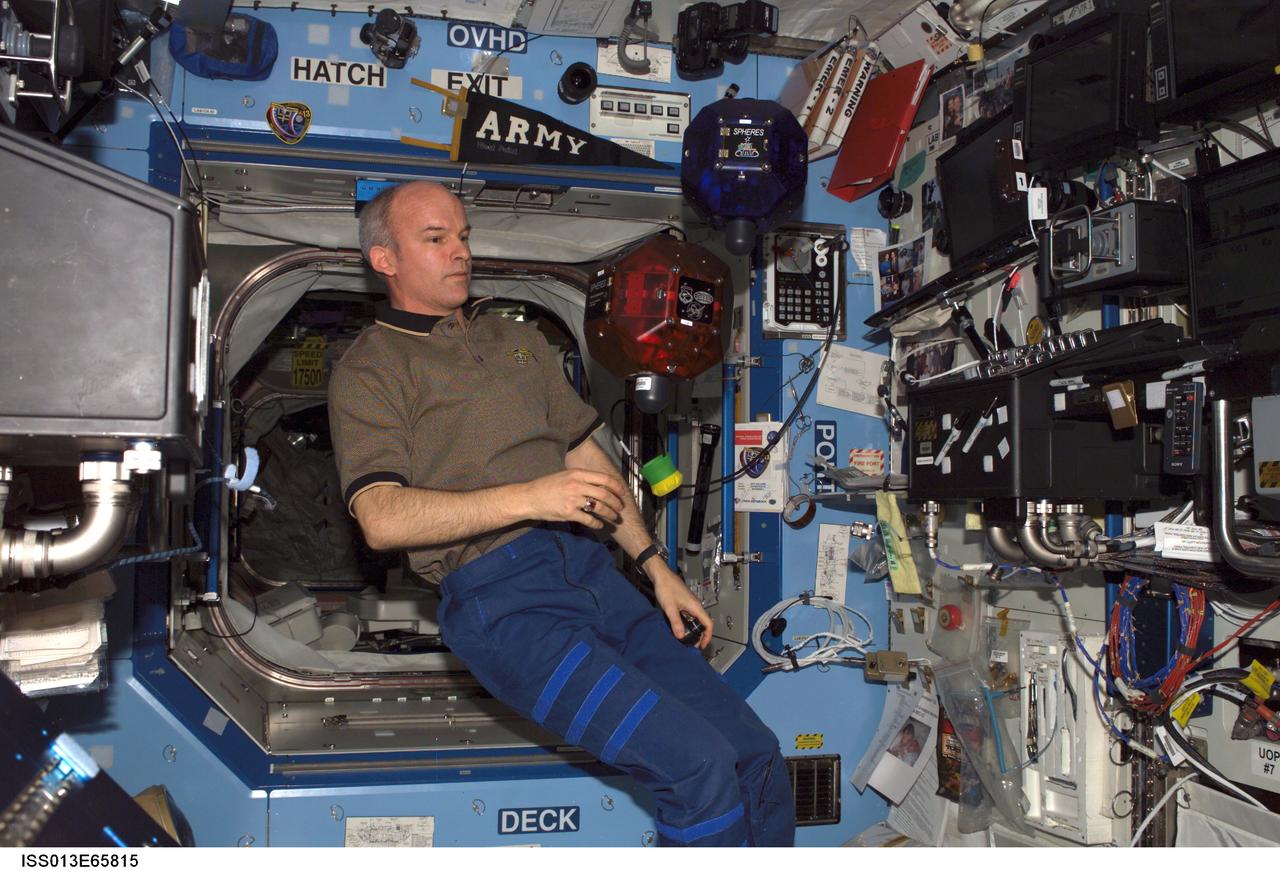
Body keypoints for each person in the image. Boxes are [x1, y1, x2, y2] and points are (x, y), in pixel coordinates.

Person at [329, 180, 795, 847]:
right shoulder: (370, 369)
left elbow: (589, 460)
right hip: (506, 606)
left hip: (597, 578)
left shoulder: (514, 340)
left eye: (462, 235)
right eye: (436, 239)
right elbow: (381, 517)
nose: (459, 251)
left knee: (754, 753)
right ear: (385, 259)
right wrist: (534, 496)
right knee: (697, 769)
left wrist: (655, 566)